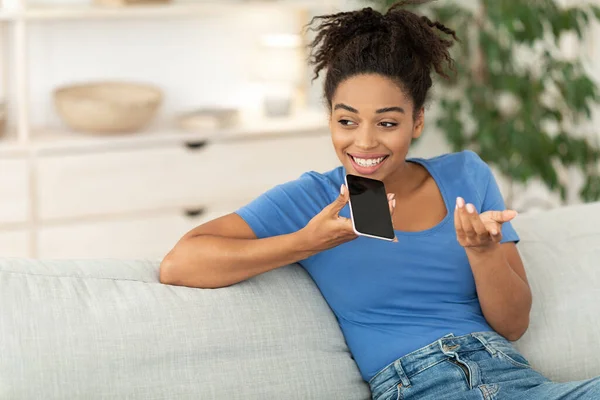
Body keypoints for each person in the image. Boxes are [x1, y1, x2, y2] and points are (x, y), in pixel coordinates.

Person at [159, 1, 600, 399]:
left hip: (514, 375)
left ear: (418, 121)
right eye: (347, 120)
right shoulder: (314, 197)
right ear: (330, 117)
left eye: (387, 123)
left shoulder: (465, 175)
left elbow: (513, 325)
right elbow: (180, 264)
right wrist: (307, 242)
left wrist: (484, 254)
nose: (364, 142)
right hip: (421, 383)